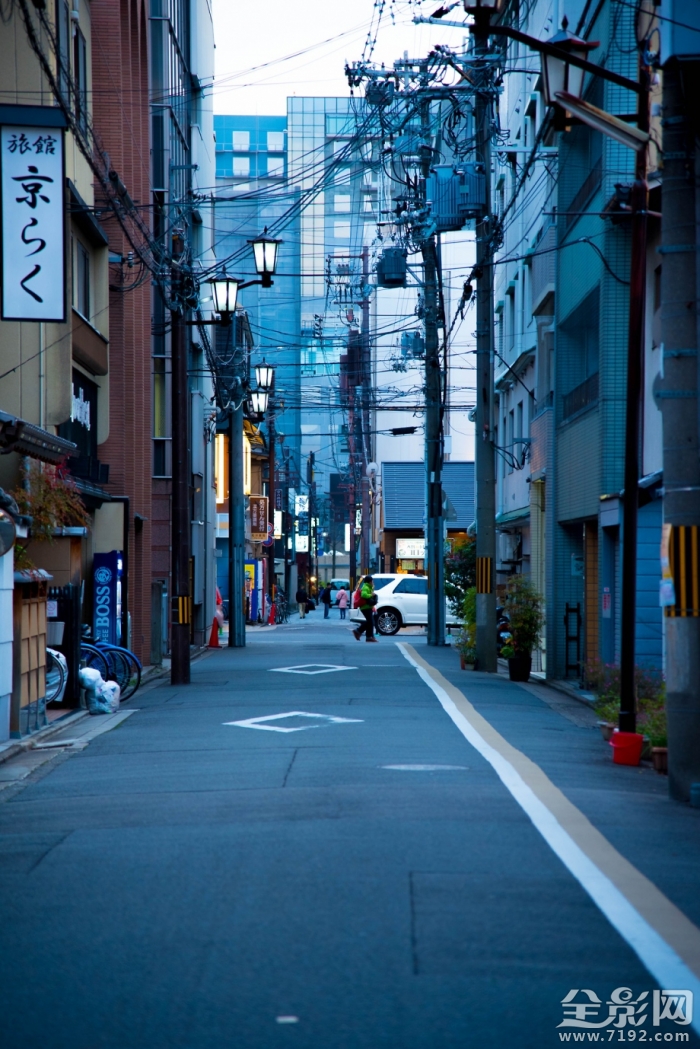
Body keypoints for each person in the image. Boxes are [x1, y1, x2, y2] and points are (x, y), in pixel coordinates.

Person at [353, 575, 378, 642]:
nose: (373, 582)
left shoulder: (369, 587)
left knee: (370, 622)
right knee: (370, 622)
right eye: (372, 581)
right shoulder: (366, 587)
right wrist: (371, 595)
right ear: (369, 581)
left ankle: (368, 637)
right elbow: (363, 595)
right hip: (365, 607)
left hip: (368, 607)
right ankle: (358, 631)